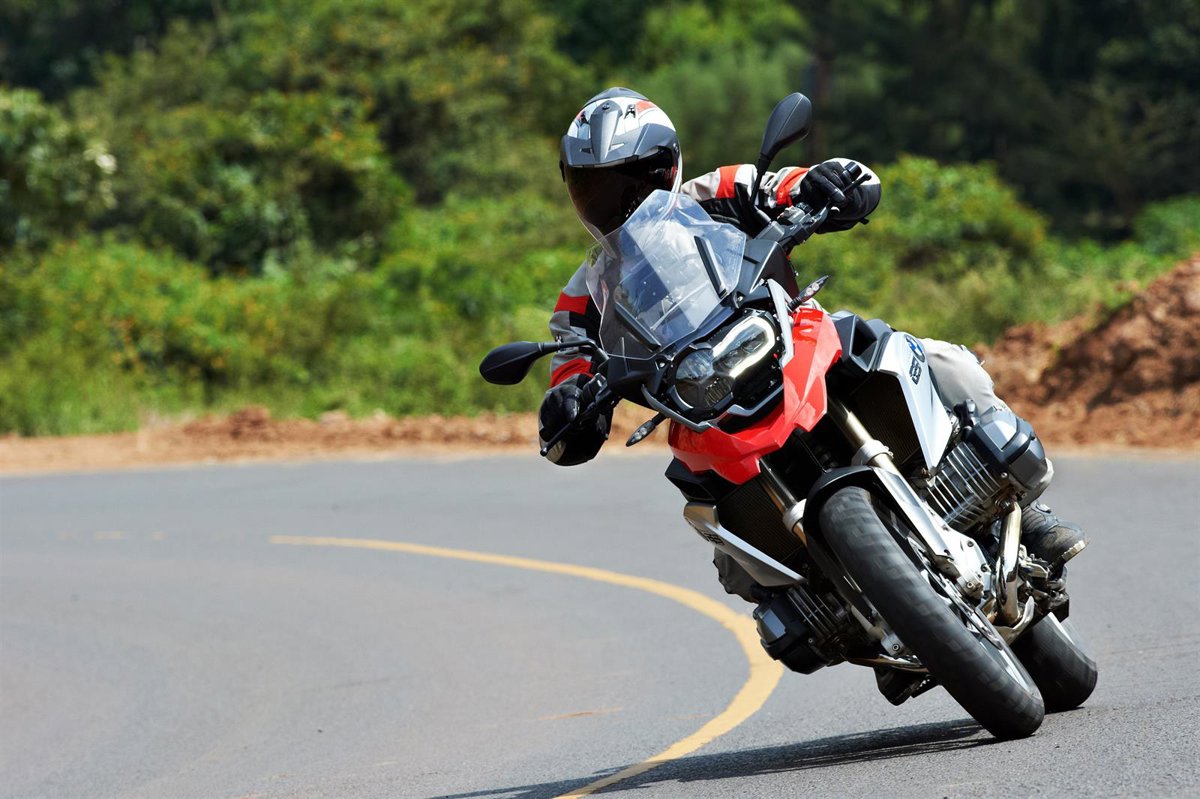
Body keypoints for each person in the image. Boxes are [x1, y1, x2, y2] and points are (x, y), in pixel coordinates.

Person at [539, 87, 1086, 583]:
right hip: (704, 405)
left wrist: (832, 182)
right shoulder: (582, 297)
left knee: (940, 363)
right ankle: (810, 617)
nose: (621, 200)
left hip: (791, 340)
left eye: (635, 180)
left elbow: (796, 184)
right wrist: (568, 404)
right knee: (734, 562)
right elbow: (570, 366)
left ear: (669, 167)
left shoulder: (721, 193)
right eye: (598, 188)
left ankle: (1027, 513)